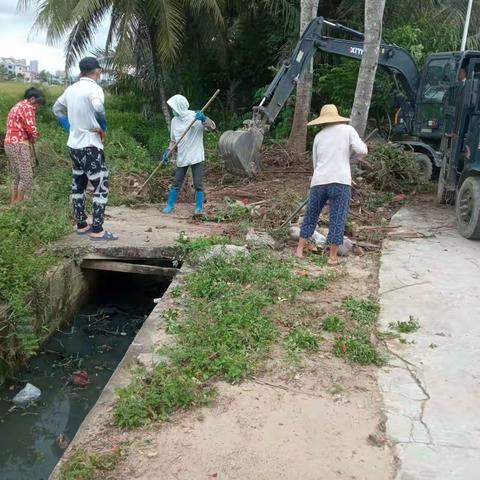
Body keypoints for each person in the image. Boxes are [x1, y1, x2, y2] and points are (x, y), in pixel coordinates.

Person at [53, 57, 117, 241]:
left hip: (74, 146)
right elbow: (98, 106)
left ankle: (81, 225)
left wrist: (68, 127)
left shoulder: (71, 89)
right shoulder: (94, 88)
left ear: (82, 71)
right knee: (101, 186)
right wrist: (103, 127)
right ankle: (97, 230)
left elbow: (56, 109)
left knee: (79, 183)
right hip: (90, 145)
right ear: (98, 71)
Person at [295, 104, 368, 266]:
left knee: (311, 214)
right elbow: (361, 150)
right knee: (337, 217)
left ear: (323, 120)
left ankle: (299, 250)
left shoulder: (319, 136)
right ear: (337, 116)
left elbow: (315, 162)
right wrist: (361, 149)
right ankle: (332, 257)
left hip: (319, 181)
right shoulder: (348, 130)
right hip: (340, 181)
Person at [162, 94, 216, 215]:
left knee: (198, 183)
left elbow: (213, 127)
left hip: (196, 156)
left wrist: (204, 119)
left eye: (173, 108)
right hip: (183, 156)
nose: (172, 110)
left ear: (180, 107)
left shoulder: (195, 117)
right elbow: (173, 141)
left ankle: (199, 207)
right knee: (176, 182)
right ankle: (170, 205)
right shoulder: (174, 121)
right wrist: (168, 151)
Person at [4, 87, 45, 204]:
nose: (37, 107)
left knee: (17, 176)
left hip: (10, 143)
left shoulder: (17, 105)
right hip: (19, 144)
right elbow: (31, 128)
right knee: (26, 176)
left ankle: (13, 204)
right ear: (32, 99)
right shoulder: (27, 107)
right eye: (38, 104)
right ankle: (18, 205)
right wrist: (34, 137)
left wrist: (32, 135)